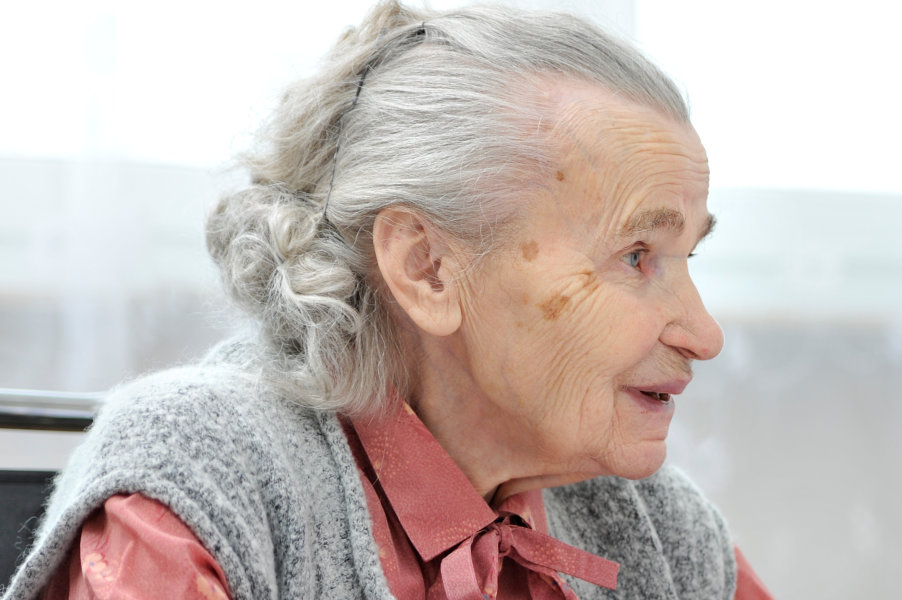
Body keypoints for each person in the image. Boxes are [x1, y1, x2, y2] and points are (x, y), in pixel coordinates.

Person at [4, 2, 773, 598]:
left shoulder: (658, 530)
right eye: (637, 255)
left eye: (687, 256)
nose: (704, 334)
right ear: (427, 267)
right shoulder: (204, 483)